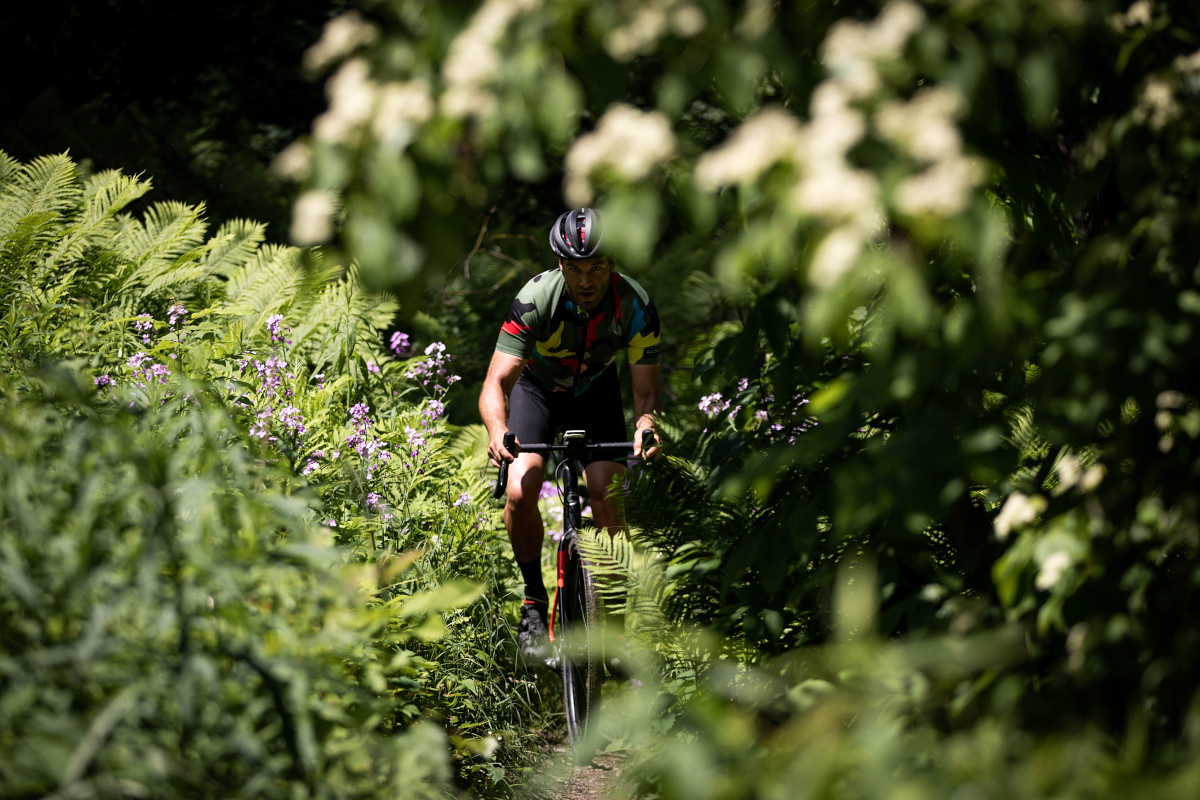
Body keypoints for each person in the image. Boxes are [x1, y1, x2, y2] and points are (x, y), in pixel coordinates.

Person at [478, 207, 663, 662]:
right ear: (560, 266)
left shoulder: (635, 305)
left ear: (612, 264)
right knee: (522, 487)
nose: (585, 280)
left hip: (596, 392)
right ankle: (533, 600)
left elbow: (645, 398)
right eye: (575, 269)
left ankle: (613, 621)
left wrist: (646, 427)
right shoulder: (535, 298)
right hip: (536, 390)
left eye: (596, 268)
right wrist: (498, 430)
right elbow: (495, 384)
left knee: (606, 492)